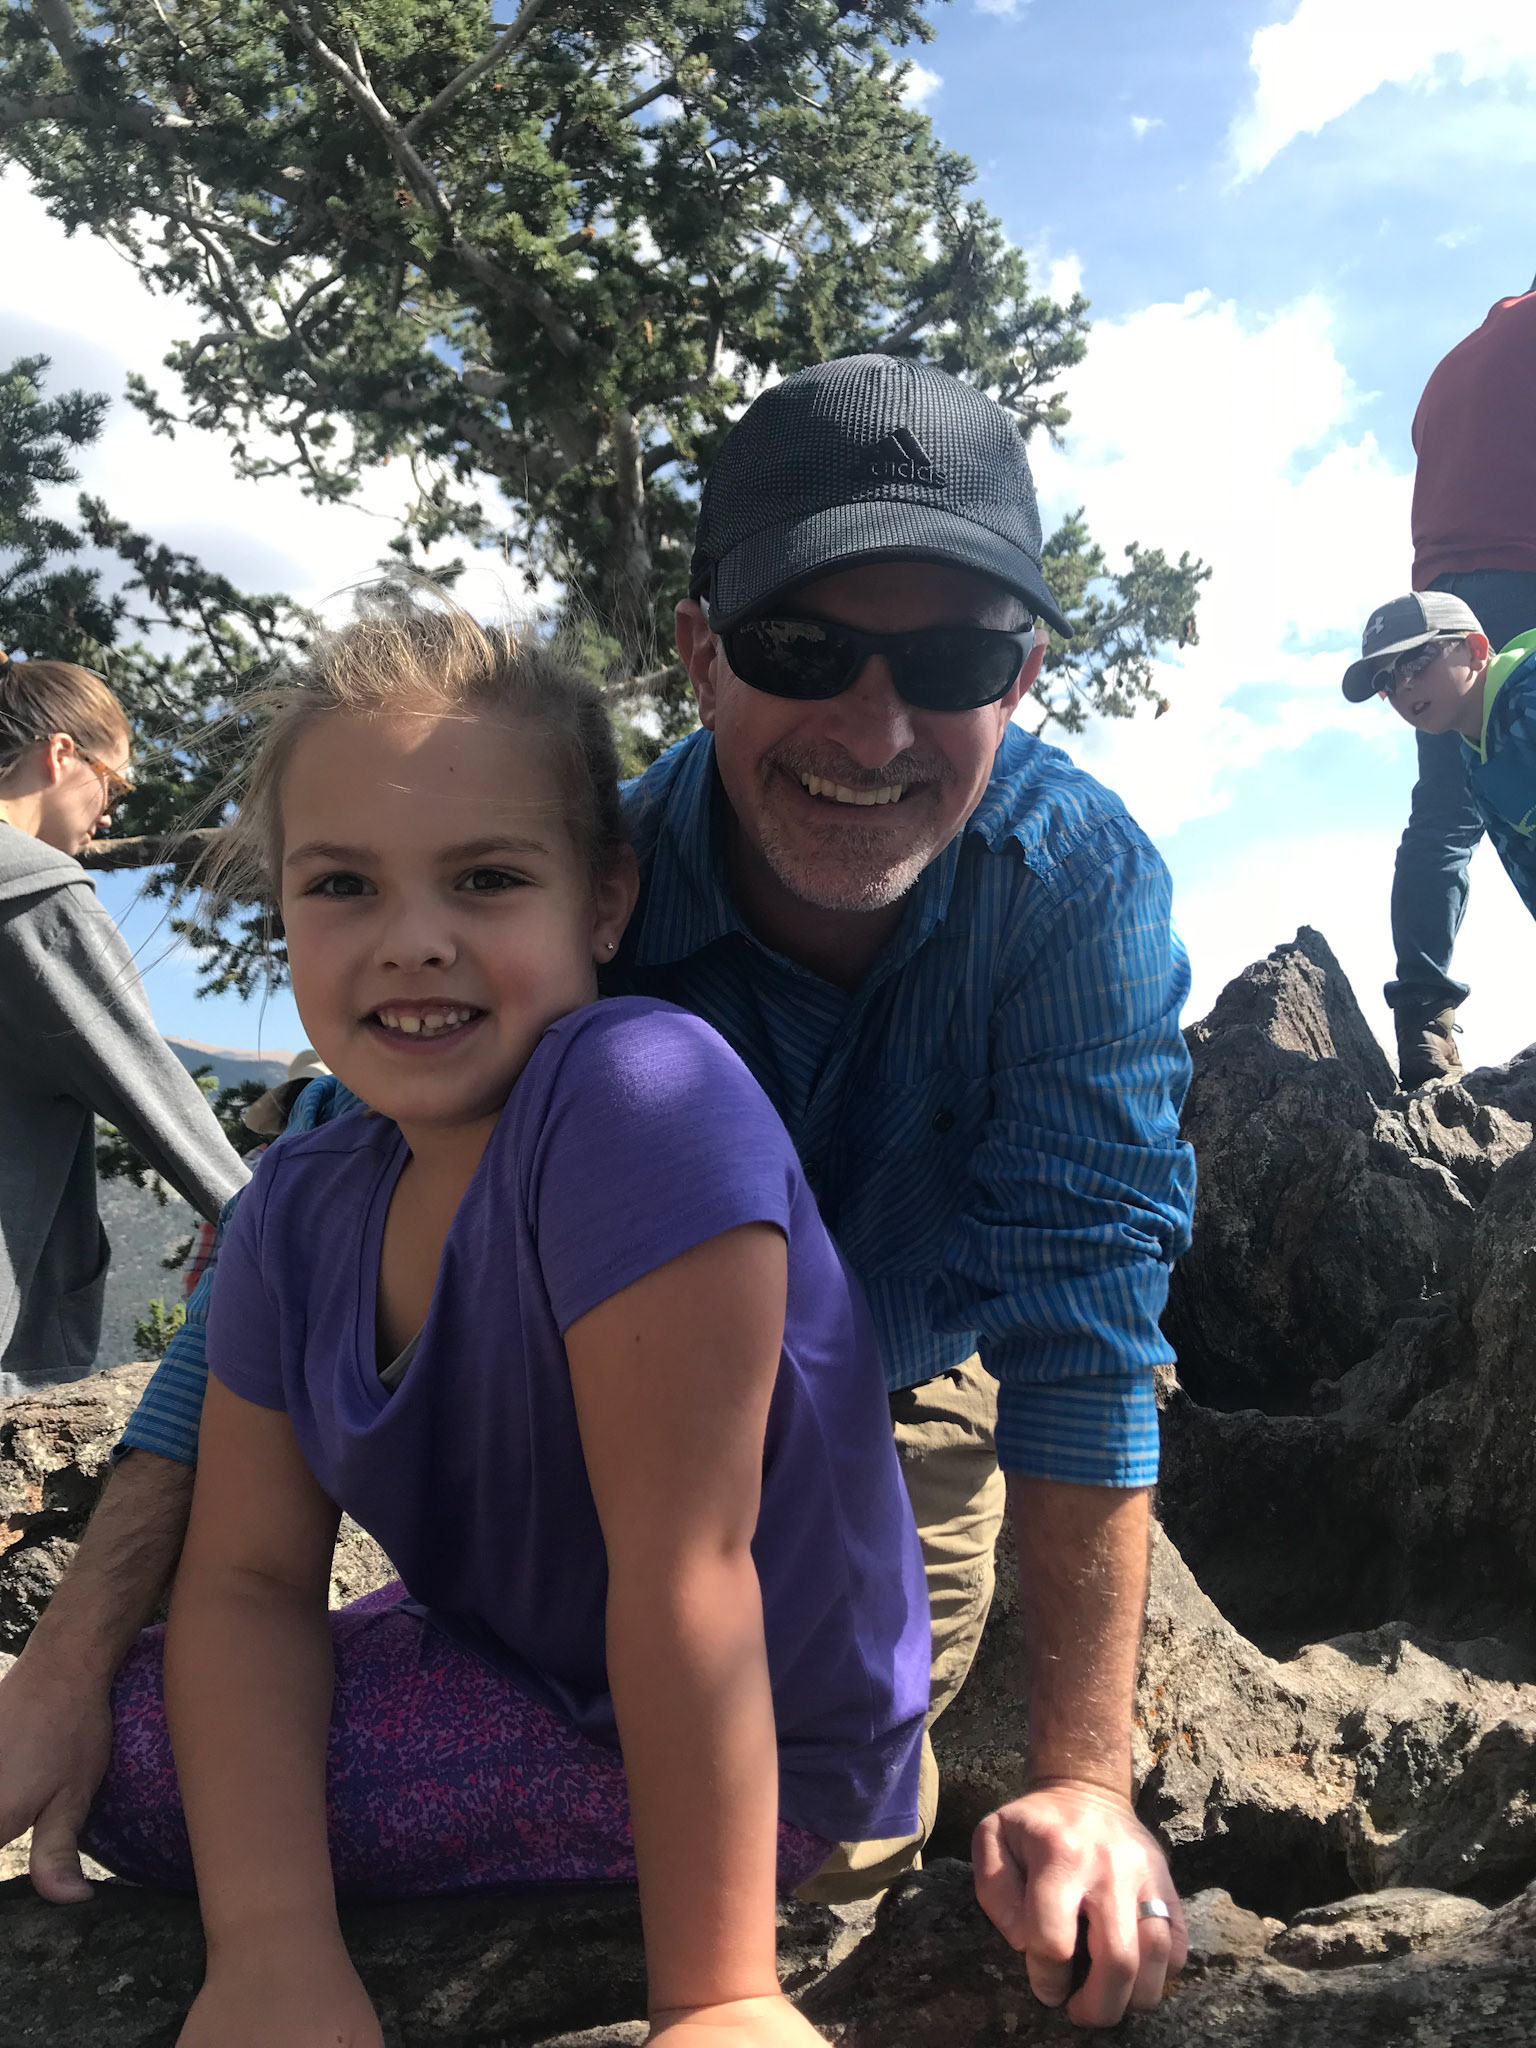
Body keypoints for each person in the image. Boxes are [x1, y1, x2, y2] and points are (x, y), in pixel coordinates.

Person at [0, 358, 1196, 2030]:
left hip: (898, 1416)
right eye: (801, 649)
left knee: (824, 1779)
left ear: (1027, 675)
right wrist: (71, 1647)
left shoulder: (1063, 883)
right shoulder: (556, 886)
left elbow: (1086, 1314)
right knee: (187, 1716)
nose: (874, 728)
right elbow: (296, 1257)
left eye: (952, 660)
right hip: (576, 1454)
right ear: (702, 651)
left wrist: (1082, 1774)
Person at [67, 607, 929, 2048]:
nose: (415, 942)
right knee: (137, 1700)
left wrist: (717, 1994)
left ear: (603, 903)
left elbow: (690, 1570)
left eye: (486, 879)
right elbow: (247, 1581)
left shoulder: (639, 1097)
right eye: (342, 883)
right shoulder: (292, 1210)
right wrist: (271, 1950)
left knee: (138, 1766)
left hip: (768, 1738)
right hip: (521, 1643)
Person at [0, 652, 248, 1397]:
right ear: (60, 753)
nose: (111, 814)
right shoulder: (40, 903)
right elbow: (166, 1114)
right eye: (114, 783)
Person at [1388, 284, 1536, 1086]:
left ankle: (1424, 1020)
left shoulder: (1446, 371)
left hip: (1440, 612)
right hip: (1524, 574)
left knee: (1445, 813)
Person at [1344, 591, 1536, 924]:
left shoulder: (1529, 695)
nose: (1403, 685)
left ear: (1475, 651)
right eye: (1386, 681)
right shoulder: (1476, 762)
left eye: (1414, 662)